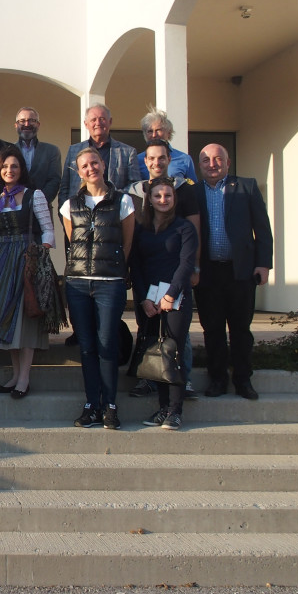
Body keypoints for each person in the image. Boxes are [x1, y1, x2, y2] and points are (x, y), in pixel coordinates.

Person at [0, 147, 55, 398]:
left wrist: (40, 255)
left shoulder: (34, 195)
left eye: (14, 166)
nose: (9, 170)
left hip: (27, 259)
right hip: (2, 261)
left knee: (24, 321)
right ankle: (16, 375)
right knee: (6, 321)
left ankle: (24, 379)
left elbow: (48, 230)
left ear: (21, 170)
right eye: (5, 166)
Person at [62, 145, 135, 431]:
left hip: (110, 285)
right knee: (87, 347)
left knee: (107, 345)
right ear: (79, 172)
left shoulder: (123, 201)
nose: (90, 168)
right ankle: (92, 404)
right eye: (84, 166)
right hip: (78, 284)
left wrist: (114, 269)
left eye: (94, 163)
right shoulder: (70, 205)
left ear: (103, 165)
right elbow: (74, 243)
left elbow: (126, 244)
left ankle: (110, 406)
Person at [193, 143, 274, 400]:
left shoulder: (246, 187)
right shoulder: (192, 193)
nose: (212, 164)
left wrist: (263, 264)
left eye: (218, 159)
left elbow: (262, 229)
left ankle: (243, 380)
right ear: (199, 165)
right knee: (212, 329)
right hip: (208, 273)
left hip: (241, 272)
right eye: (206, 160)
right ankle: (217, 379)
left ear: (228, 163)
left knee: (240, 329)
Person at [125, 139, 201, 399]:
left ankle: (183, 379)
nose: (156, 162)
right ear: (145, 162)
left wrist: (195, 268)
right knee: (146, 328)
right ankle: (148, 377)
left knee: (178, 334)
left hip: (174, 277)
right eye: (152, 158)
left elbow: (193, 232)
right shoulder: (134, 192)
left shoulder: (184, 190)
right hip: (147, 277)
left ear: (170, 160)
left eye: (162, 158)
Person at [130, 177, 198, 430]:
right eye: (157, 195)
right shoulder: (142, 229)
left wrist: (170, 295)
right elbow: (136, 265)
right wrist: (144, 298)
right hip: (149, 300)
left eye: (167, 195)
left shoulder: (184, 228)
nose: (162, 200)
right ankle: (162, 408)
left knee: (173, 352)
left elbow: (186, 264)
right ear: (149, 199)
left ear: (174, 198)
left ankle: (175, 411)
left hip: (175, 299)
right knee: (156, 353)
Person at [61, 103, 142, 201]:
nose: (98, 123)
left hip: (114, 207)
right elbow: (65, 186)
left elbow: (134, 186)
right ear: (86, 124)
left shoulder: (127, 152)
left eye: (102, 119)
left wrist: (114, 196)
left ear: (110, 121)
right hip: (79, 206)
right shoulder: (73, 150)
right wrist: (64, 208)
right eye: (93, 120)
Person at [14, 106, 62, 205]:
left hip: (42, 207)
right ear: (16, 125)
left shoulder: (52, 151)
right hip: (14, 207)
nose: (27, 124)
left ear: (38, 124)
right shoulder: (8, 150)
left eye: (31, 120)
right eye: (22, 121)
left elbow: (54, 181)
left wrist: (39, 202)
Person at [137, 107, 197, 182]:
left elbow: (193, 186)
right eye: (150, 131)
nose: (154, 135)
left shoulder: (184, 159)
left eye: (158, 130)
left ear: (169, 132)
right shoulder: (137, 160)